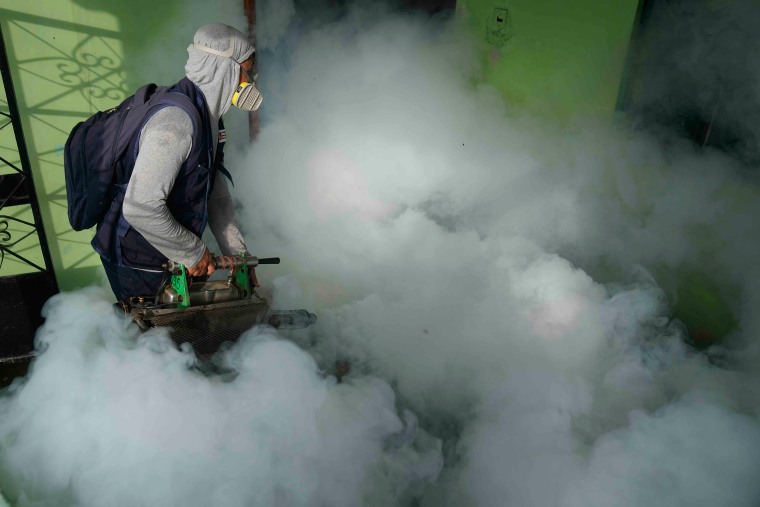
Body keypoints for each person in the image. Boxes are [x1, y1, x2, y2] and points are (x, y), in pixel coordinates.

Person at [91, 23, 262, 302]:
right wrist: (193, 252)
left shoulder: (209, 119)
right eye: (247, 69)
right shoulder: (176, 124)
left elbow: (215, 194)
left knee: (189, 336)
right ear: (224, 69)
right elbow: (140, 208)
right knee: (157, 340)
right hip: (138, 260)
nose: (251, 79)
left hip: (170, 253)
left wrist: (239, 257)